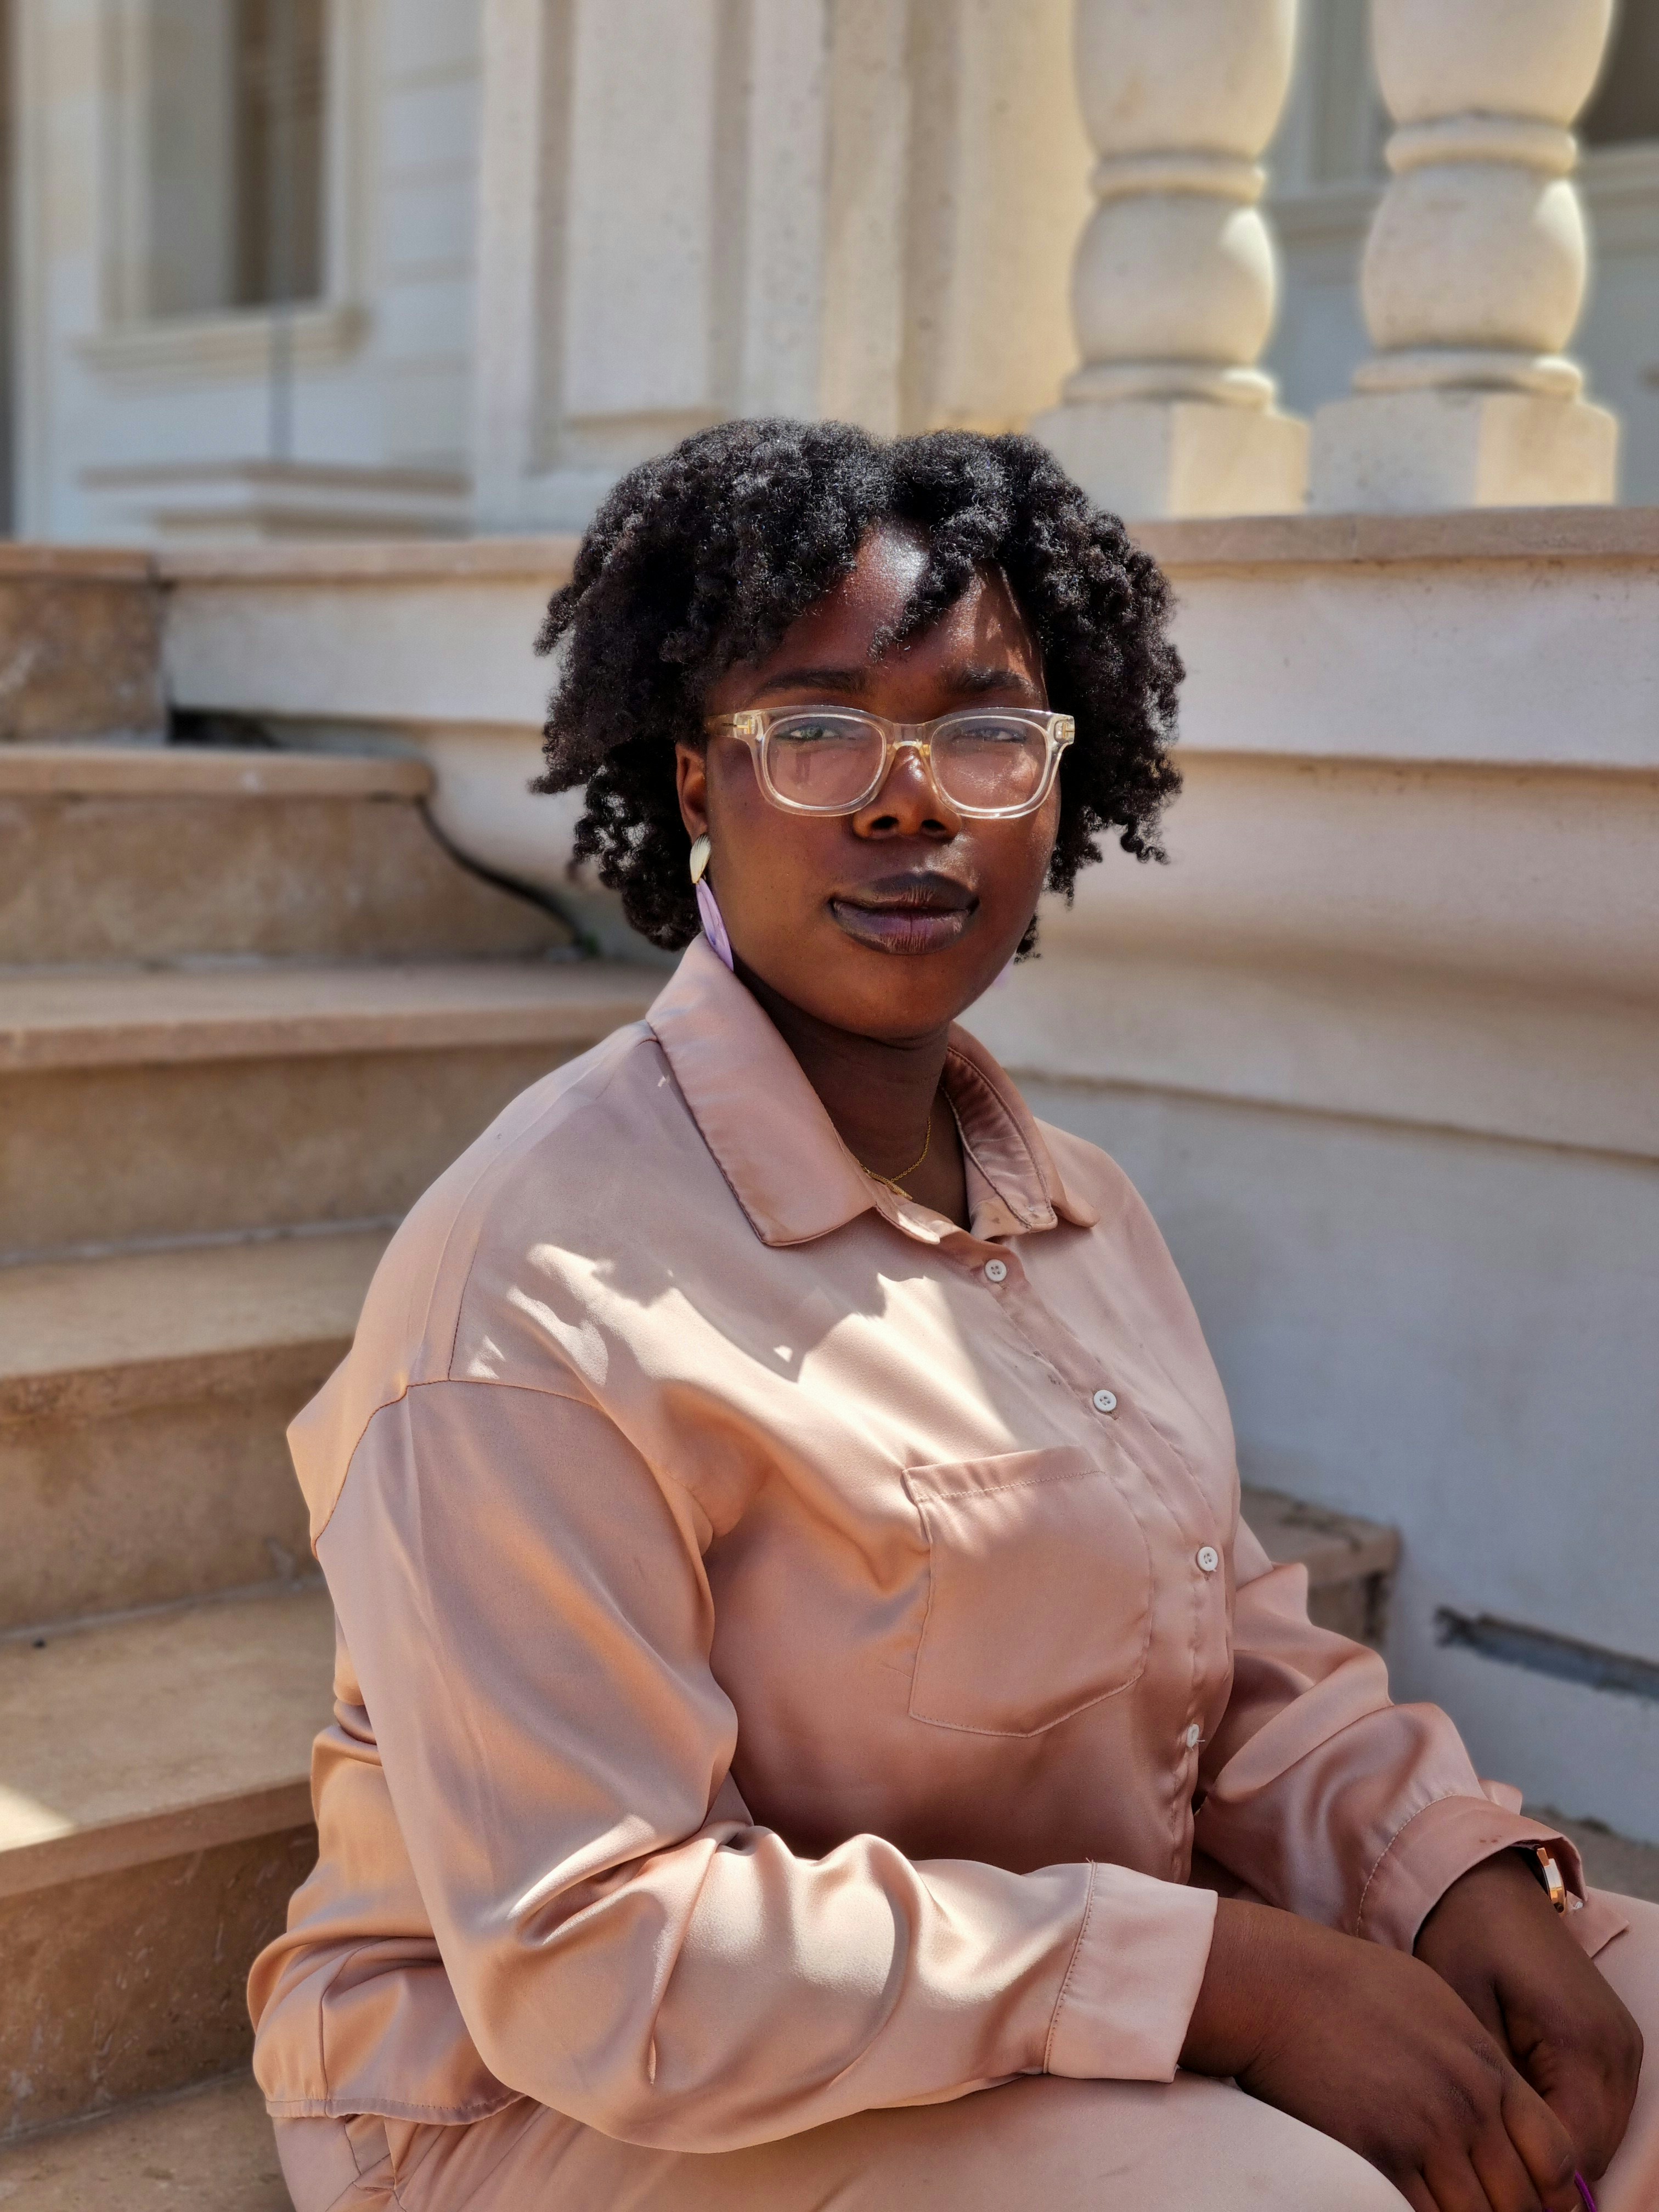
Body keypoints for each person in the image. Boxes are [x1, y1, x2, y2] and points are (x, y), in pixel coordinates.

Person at [250, 421, 1652, 2211]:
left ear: (1060, 787)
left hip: (1008, 2000)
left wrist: (1457, 1876)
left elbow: (1223, 1652)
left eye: (984, 733)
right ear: (697, 785)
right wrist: (1225, 1981)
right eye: (816, 731)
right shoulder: (532, 1293)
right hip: (542, 2095)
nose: (907, 802)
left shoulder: (1078, 1206)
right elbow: (597, 1952)